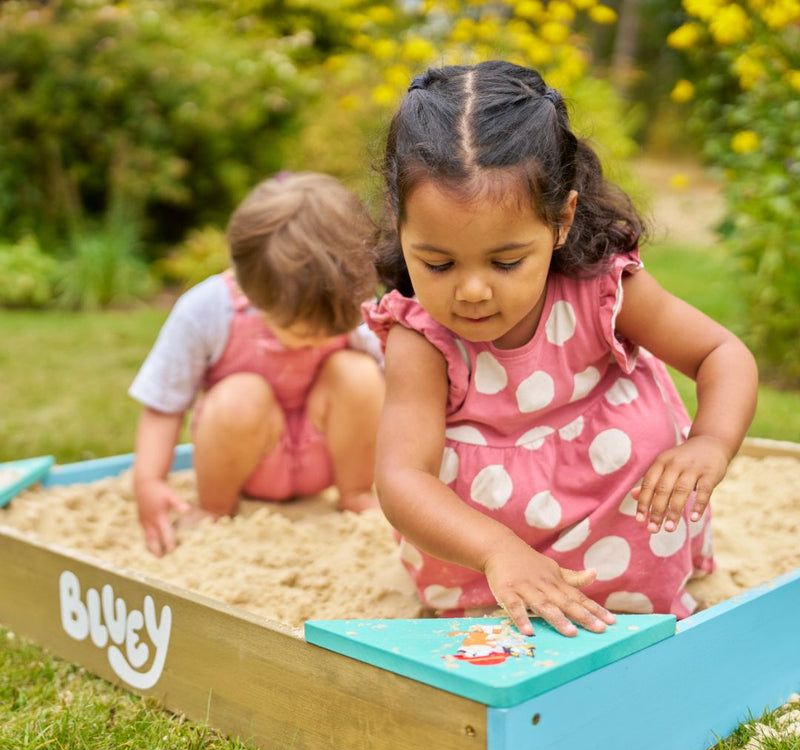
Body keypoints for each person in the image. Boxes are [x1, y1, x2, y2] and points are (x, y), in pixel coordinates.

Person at [364, 61, 758, 637]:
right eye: (438, 262)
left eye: (505, 262)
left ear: (561, 220)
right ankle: (512, 584)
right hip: (486, 550)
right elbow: (403, 480)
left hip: (617, 512)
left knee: (645, 436)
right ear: (401, 225)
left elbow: (720, 353)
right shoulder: (420, 337)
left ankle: (633, 589)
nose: (472, 290)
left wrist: (710, 443)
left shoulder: (600, 288)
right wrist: (499, 551)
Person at [130, 171, 385, 557]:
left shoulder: (344, 302)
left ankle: (357, 494)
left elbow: (401, 393)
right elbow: (164, 403)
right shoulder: (206, 311)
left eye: (329, 330)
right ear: (252, 292)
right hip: (248, 459)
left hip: (328, 453)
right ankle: (214, 509)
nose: (317, 340)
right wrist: (149, 480)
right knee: (240, 394)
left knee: (360, 373)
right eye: (301, 331)